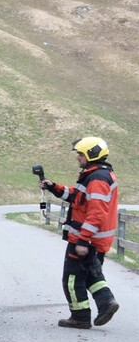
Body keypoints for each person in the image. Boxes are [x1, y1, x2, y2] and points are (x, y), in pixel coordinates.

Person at [40, 137, 120, 329]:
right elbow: (78, 197)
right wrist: (54, 187)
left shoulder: (97, 179)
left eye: (81, 154)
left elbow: (96, 213)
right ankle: (106, 303)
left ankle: (80, 317)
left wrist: (83, 240)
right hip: (94, 241)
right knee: (91, 274)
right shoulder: (95, 175)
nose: (78, 158)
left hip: (87, 240)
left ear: (91, 155)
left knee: (72, 278)